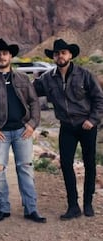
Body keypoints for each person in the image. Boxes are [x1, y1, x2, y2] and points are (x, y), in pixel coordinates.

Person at [34, 39, 103, 220]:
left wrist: (93, 119)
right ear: (54, 57)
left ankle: (88, 203)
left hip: (86, 125)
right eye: (57, 54)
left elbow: (98, 98)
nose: (60, 56)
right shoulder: (47, 79)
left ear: (70, 55)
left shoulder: (84, 75)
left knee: (89, 163)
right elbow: (29, 91)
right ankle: (73, 206)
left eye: (63, 53)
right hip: (66, 127)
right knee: (66, 164)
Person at [0, 38, 46, 224]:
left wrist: (32, 124)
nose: (2, 57)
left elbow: (34, 102)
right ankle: (2, 208)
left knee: (25, 169)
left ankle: (31, 209)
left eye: (5, 53)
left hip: (22, 131)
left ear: (10, 56)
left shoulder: (22, 78)